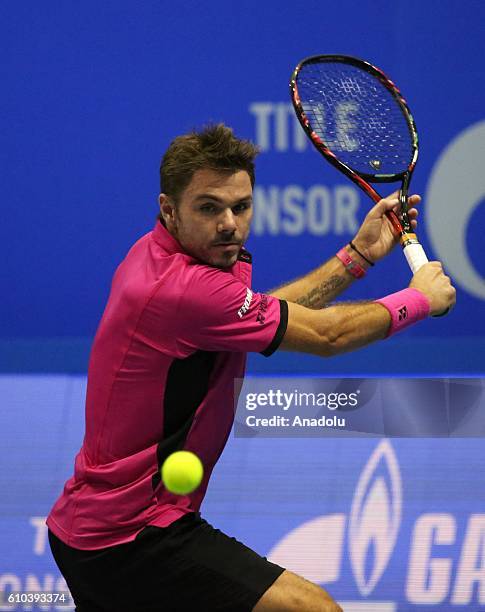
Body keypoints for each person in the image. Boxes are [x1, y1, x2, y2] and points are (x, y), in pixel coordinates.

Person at [46, 123, 455, 612]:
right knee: (315, 610)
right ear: (168, 210)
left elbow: (261, 314)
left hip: (93, 532)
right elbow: (327, 336)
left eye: (240, 206)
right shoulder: (184, 291)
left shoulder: (159, 256)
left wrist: (360, 255)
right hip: (133, 535)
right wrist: (419, 301)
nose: (229, 223)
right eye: (209, 207)